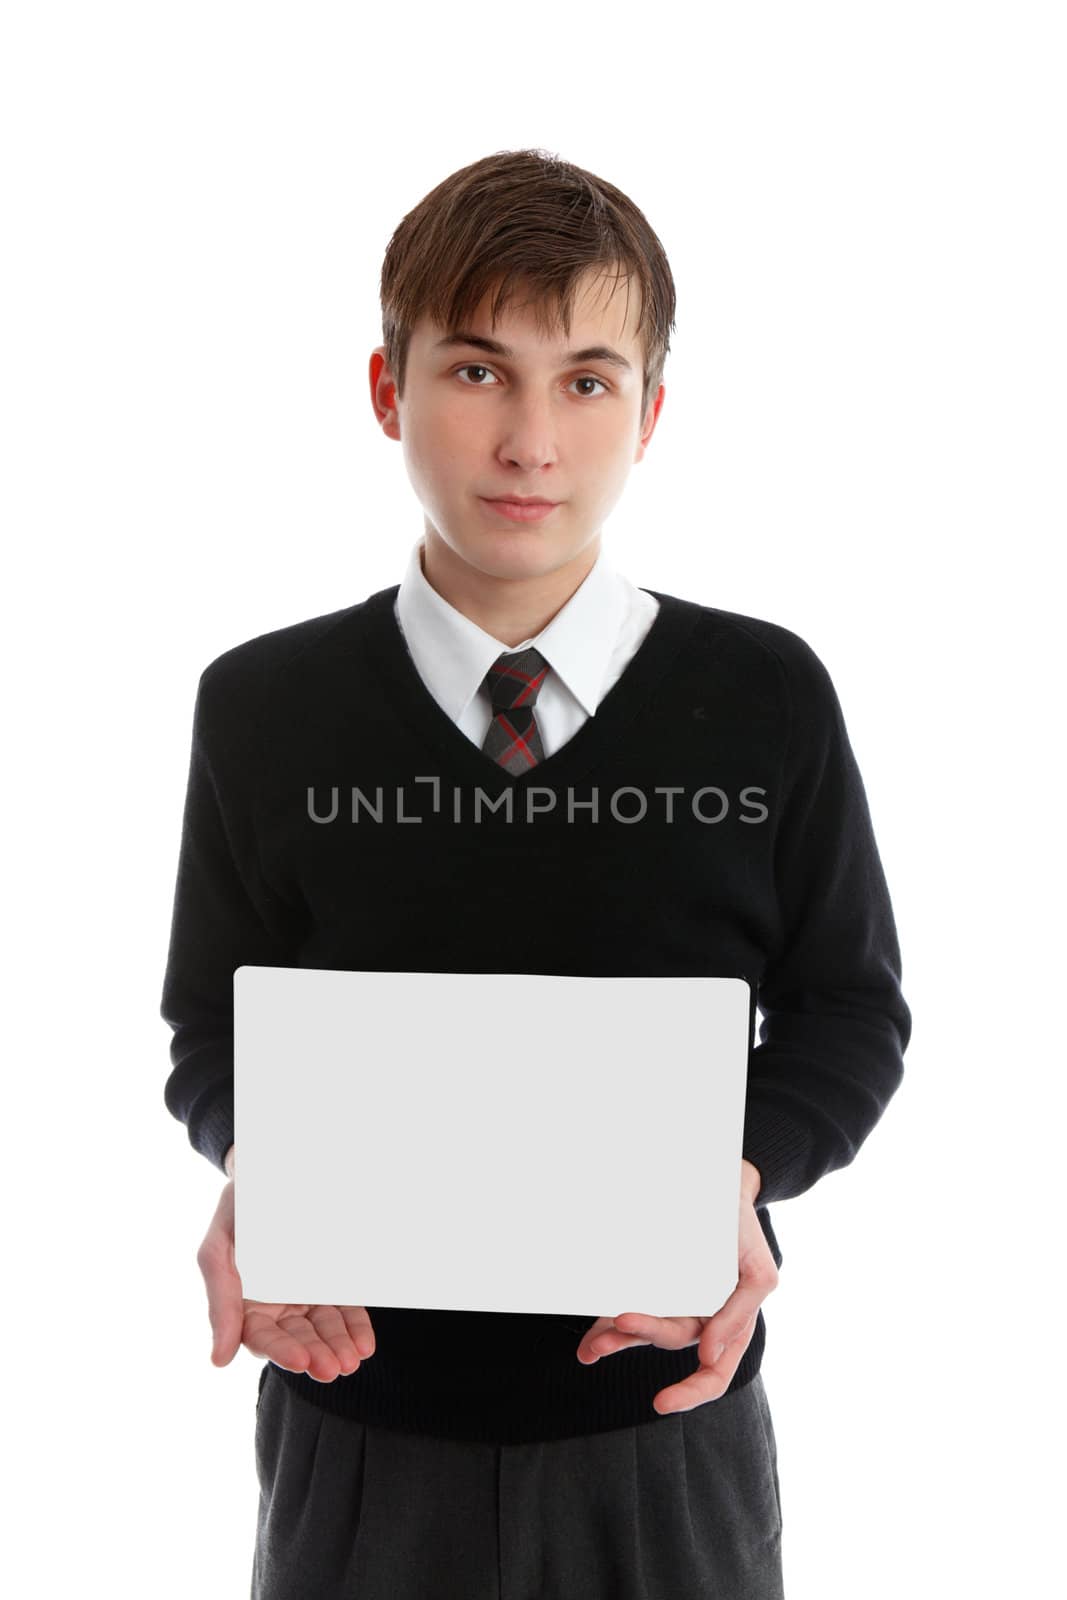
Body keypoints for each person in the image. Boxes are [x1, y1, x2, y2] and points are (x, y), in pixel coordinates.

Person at [161, 147, 911, 1599]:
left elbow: (849, 1015)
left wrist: (740, 1178)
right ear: (388, 390)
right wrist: (267, 1161)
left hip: (660, 1429)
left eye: (586, 379)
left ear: (652, 412)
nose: (530, 442)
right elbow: (213, 1028)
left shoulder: (764, 696)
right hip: (360, 1430)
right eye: (477, 372)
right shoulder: (263, 708)